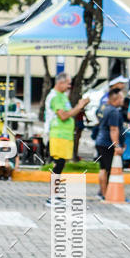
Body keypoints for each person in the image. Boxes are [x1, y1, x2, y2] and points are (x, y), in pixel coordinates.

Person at [46, 73, 89, 204]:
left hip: (64, 135)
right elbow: (63, 116)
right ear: (60, 83)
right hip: (58, 135)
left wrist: (80, 107)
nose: (69, 86)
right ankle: (52, 196)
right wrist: (79, 106)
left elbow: (69, 113)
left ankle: (55, 194)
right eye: (68, 83)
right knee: (58, 164)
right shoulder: (55, 97)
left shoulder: (62, 96)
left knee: (61, 164)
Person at [95, 87, 125, 198]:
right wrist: (117, 145)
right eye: (121, 98)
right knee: (108, 169)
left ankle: (102, 192)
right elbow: (113, 129)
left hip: (100, 141)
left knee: (103, 168)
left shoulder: (102, 107)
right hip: (107, 143)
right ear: (116, 99)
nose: (123, 100)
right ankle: (105, 194)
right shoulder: (113, 112)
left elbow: (98, 117)